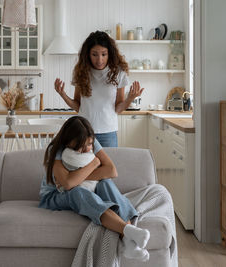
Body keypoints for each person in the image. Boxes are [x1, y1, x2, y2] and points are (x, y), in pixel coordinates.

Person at [39, 116, 150, 261]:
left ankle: (130, 244)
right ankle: (127, 231)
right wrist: (94, 163)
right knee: (77, 191)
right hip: (55, 196)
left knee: (105, 182)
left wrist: (75, 177)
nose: (86, 149)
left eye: (89, 144)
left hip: (80, 186)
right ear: (69, 142)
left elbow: (111, 171)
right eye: (81, 146)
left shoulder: (90, 140)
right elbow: (67, 185)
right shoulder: (57, 149)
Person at [54, 31, 144, 147]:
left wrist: (130, 99)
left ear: (110, 53)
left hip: (108, 132)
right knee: (85, 165)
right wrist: (63, 94)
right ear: (88, 54)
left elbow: (118, 108)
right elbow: (78, 106)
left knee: (109, 165)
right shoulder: (81, 72)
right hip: (84, 131)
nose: (99, 60)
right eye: (94, 54)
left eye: (104, 54)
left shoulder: (118, 72)